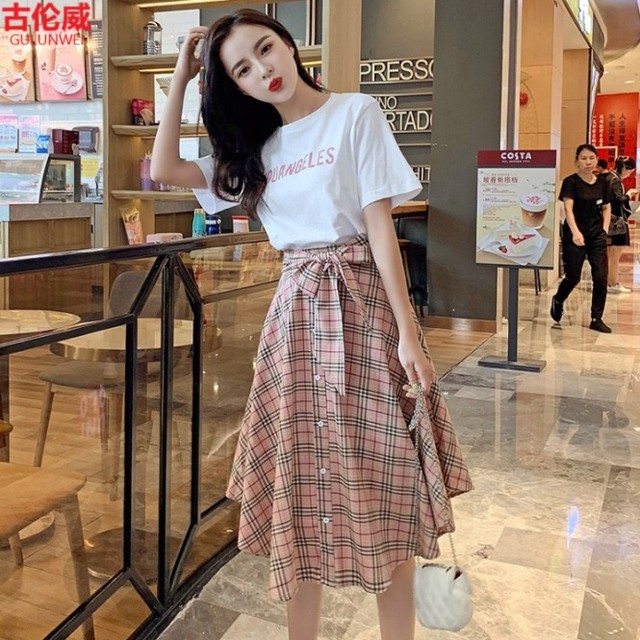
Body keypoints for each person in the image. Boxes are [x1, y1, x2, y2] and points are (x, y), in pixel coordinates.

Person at [150, 10, 472, 640]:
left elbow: (380, 229)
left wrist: (409, 335)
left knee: (386, 482)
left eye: (265, 49)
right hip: (295, 320)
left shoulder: (355, 113)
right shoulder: (255, 152)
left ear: (288, 43)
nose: (263, 71)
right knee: (299, 491)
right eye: (242, 70)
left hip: (363, 308)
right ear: (235, 87)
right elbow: (164, 169)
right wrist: (183, 78)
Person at [550, 143, 612, 333]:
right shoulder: (571, 182)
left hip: (597, 235)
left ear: (596, 160)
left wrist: (604, 229)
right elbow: (568, 209)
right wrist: (576, 232)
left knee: (600, 276)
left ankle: (596, 318)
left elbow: (607, 207)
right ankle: (558, 299)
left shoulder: (603, 183)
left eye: (591, 158)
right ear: (577, 161)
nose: (588, 162)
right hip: (574, 235)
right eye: (583, 158)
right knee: (573, 277)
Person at [606, 156, 638, 294]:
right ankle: (612, 283)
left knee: (610, 255)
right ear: (624, 168)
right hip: (616, 223)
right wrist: (629, 194)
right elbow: (619, 200)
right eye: (629, 171)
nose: (629, 175)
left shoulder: (610, 177)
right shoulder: (615, 180)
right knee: (614, 255)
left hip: (610, 221)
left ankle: (609, 282)